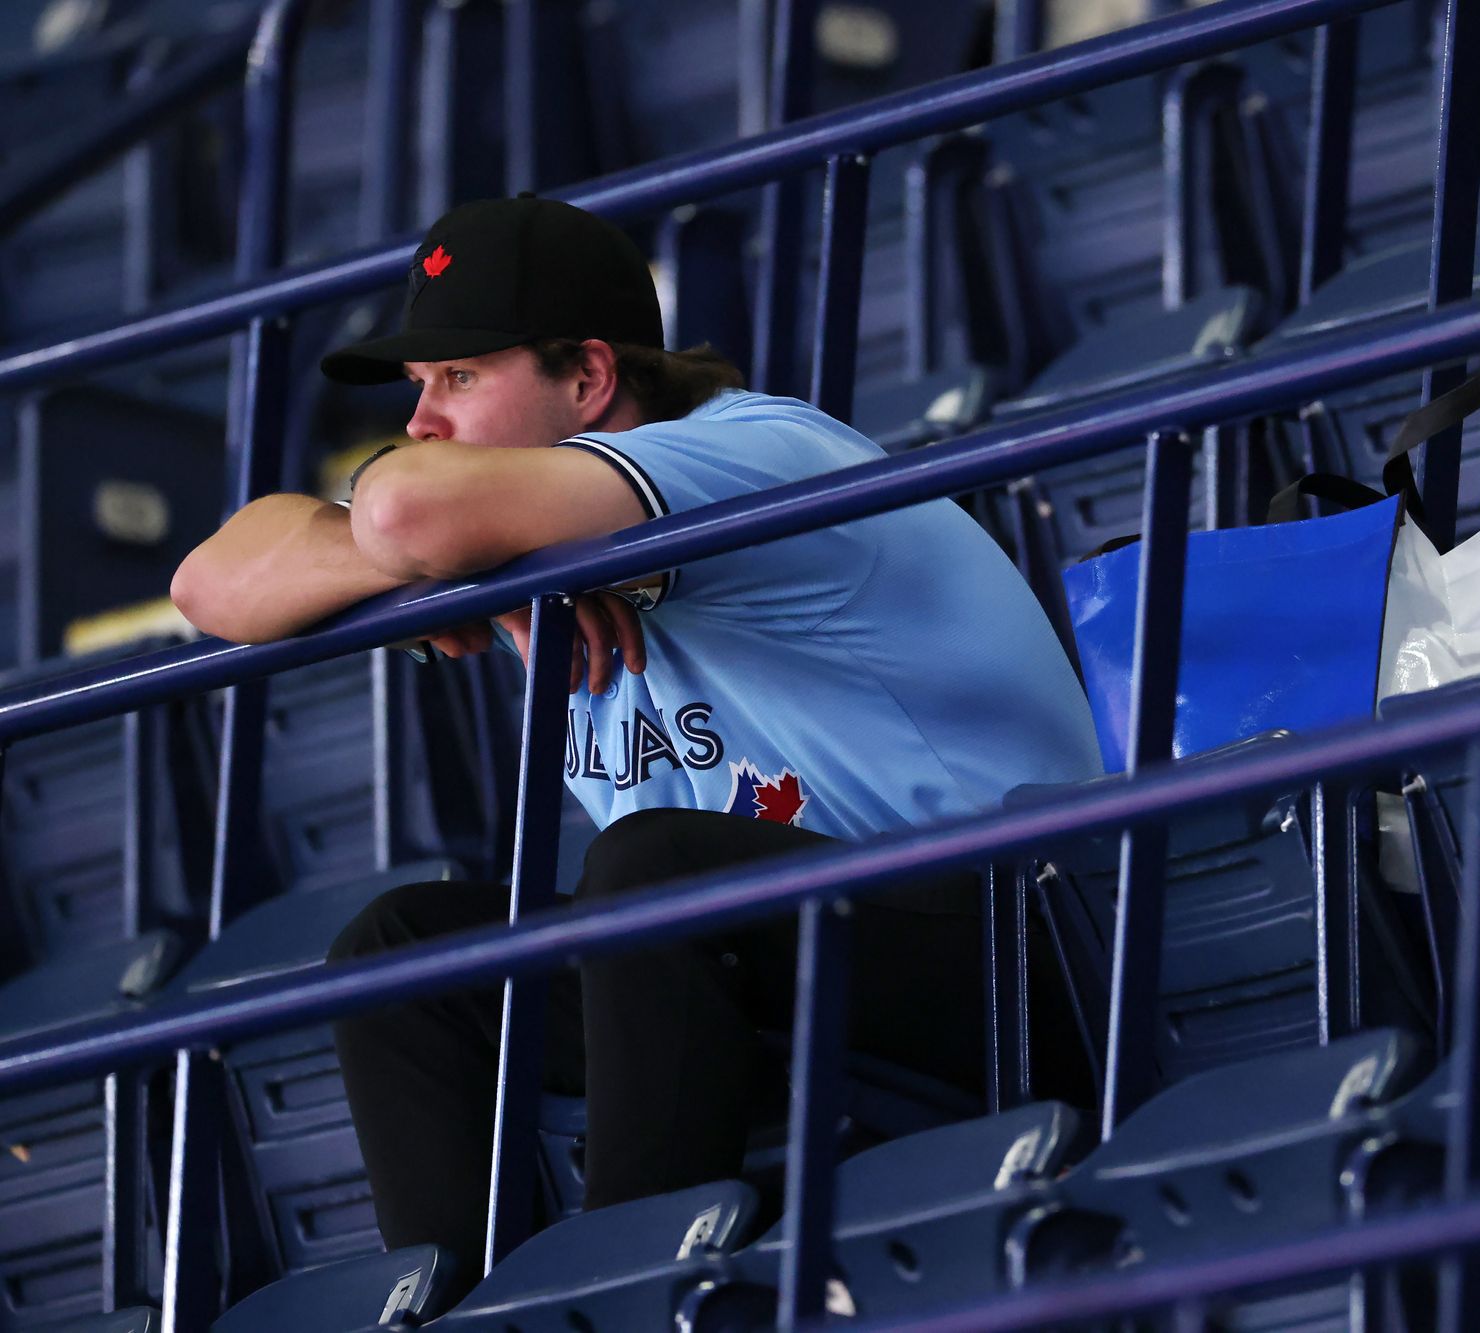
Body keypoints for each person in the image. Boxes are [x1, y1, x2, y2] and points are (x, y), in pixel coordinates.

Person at [169, 195, 1103, 1291]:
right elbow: (208, 583)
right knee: (404, 949)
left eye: (459, 377)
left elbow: (403, 513)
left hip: (1008, 937)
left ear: (589, 377)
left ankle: (620, 1295)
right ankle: (476, 1309)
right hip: (764, 954)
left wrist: (433, 552)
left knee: (653, 866)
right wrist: (459, 564)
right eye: (417, 386)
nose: (421, 422)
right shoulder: (526, 526)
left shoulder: (753, 449)